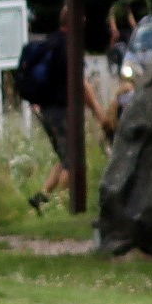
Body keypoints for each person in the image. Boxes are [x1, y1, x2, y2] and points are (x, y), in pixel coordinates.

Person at [15, 23, 112, 211]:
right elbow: (82, 85)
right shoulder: (68, 46)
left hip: (45, 110)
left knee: (65, 155)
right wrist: (99, 114)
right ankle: (61, 205)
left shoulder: (51, 42)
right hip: (61, 110)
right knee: (74, 160)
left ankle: (42, 197)